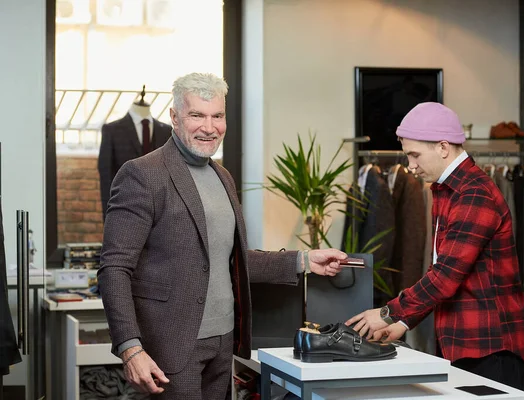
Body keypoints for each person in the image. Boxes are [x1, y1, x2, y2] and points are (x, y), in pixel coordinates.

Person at [97, 72, 347, 399]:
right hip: (170, 347)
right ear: (174, 117)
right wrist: (131, 349)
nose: (209, 126)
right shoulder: (143, 174)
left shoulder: (223, 176)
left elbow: (230, 259)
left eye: (217, 116)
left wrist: (303, 260)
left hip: (223, 343)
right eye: (197, 115)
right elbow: (114, 268)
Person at [346, 102, 524, 389]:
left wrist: (386, 313)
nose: (411, 166)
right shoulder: (445, 191)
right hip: (462, 344)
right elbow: (440, 271)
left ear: (443, 147)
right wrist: (403, 324)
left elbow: (445, 278)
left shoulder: (474, 195)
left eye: (415, 155)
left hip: (489, 349)